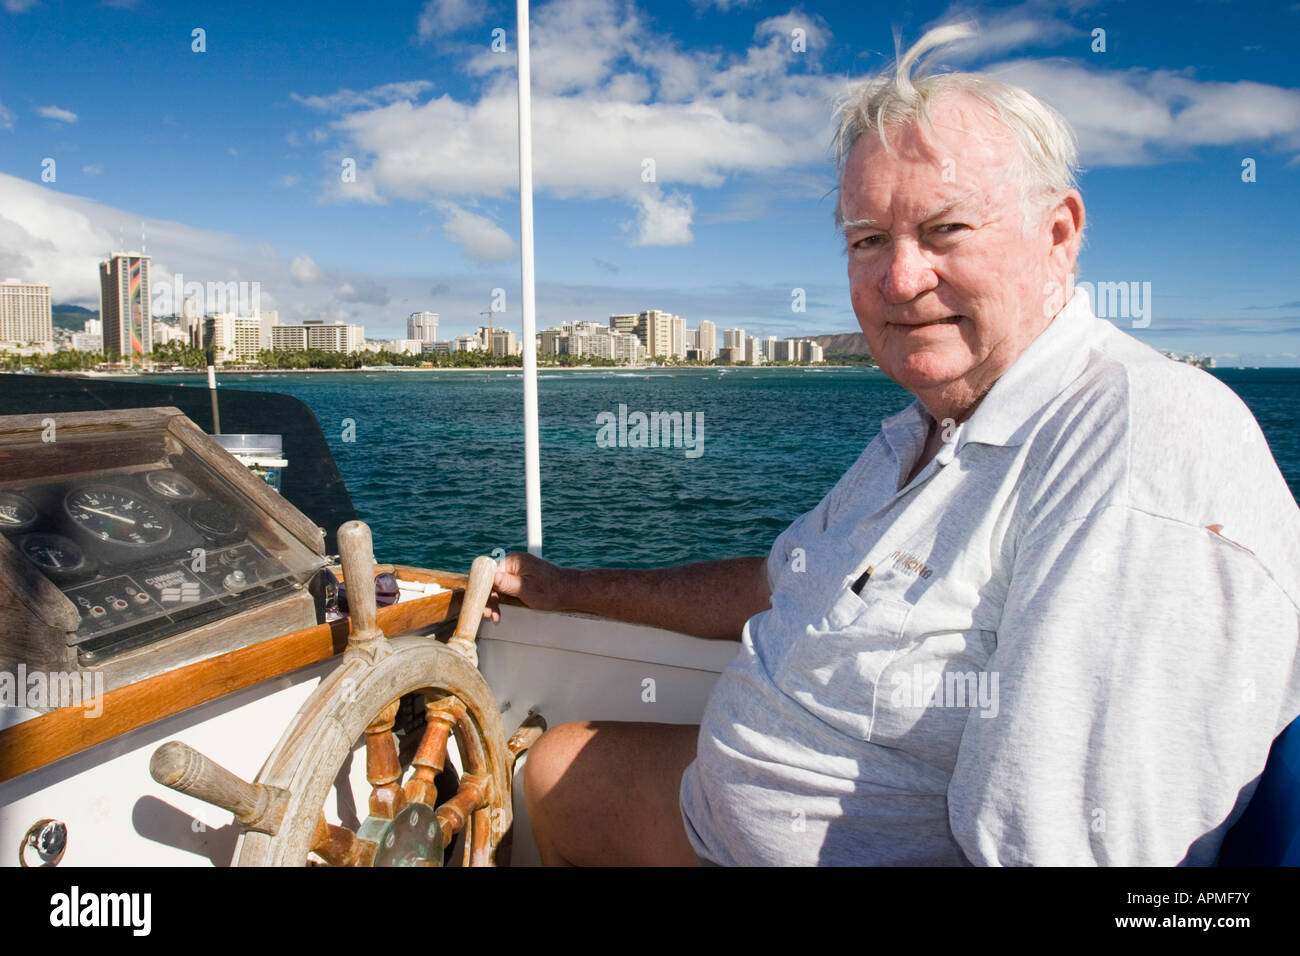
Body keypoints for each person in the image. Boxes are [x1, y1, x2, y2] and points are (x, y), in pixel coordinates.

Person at [487, 24, 1300, 865]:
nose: (901, 281)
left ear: (1059, 236)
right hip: (714, 811)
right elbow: (782, 581)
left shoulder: (1136, 452)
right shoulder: (929, 424)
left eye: (946, 230)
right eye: (869, 239)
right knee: (554, 766)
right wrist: (573, 589)